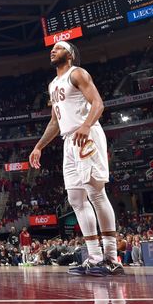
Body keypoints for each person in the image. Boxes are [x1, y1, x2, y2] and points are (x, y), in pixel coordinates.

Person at [28, 41, 124, 277]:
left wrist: (86, 124)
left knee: (95, 192)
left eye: (59, 48)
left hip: (87, 135)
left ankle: (112, 257)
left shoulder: (77, 73)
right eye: (52, 49)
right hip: (68, 141)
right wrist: (39, 146)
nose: (53, 50)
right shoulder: (53, 84)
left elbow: (98, 103)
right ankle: (94, 257)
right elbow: (54, 121)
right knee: (76, 199)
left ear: (69, 54)